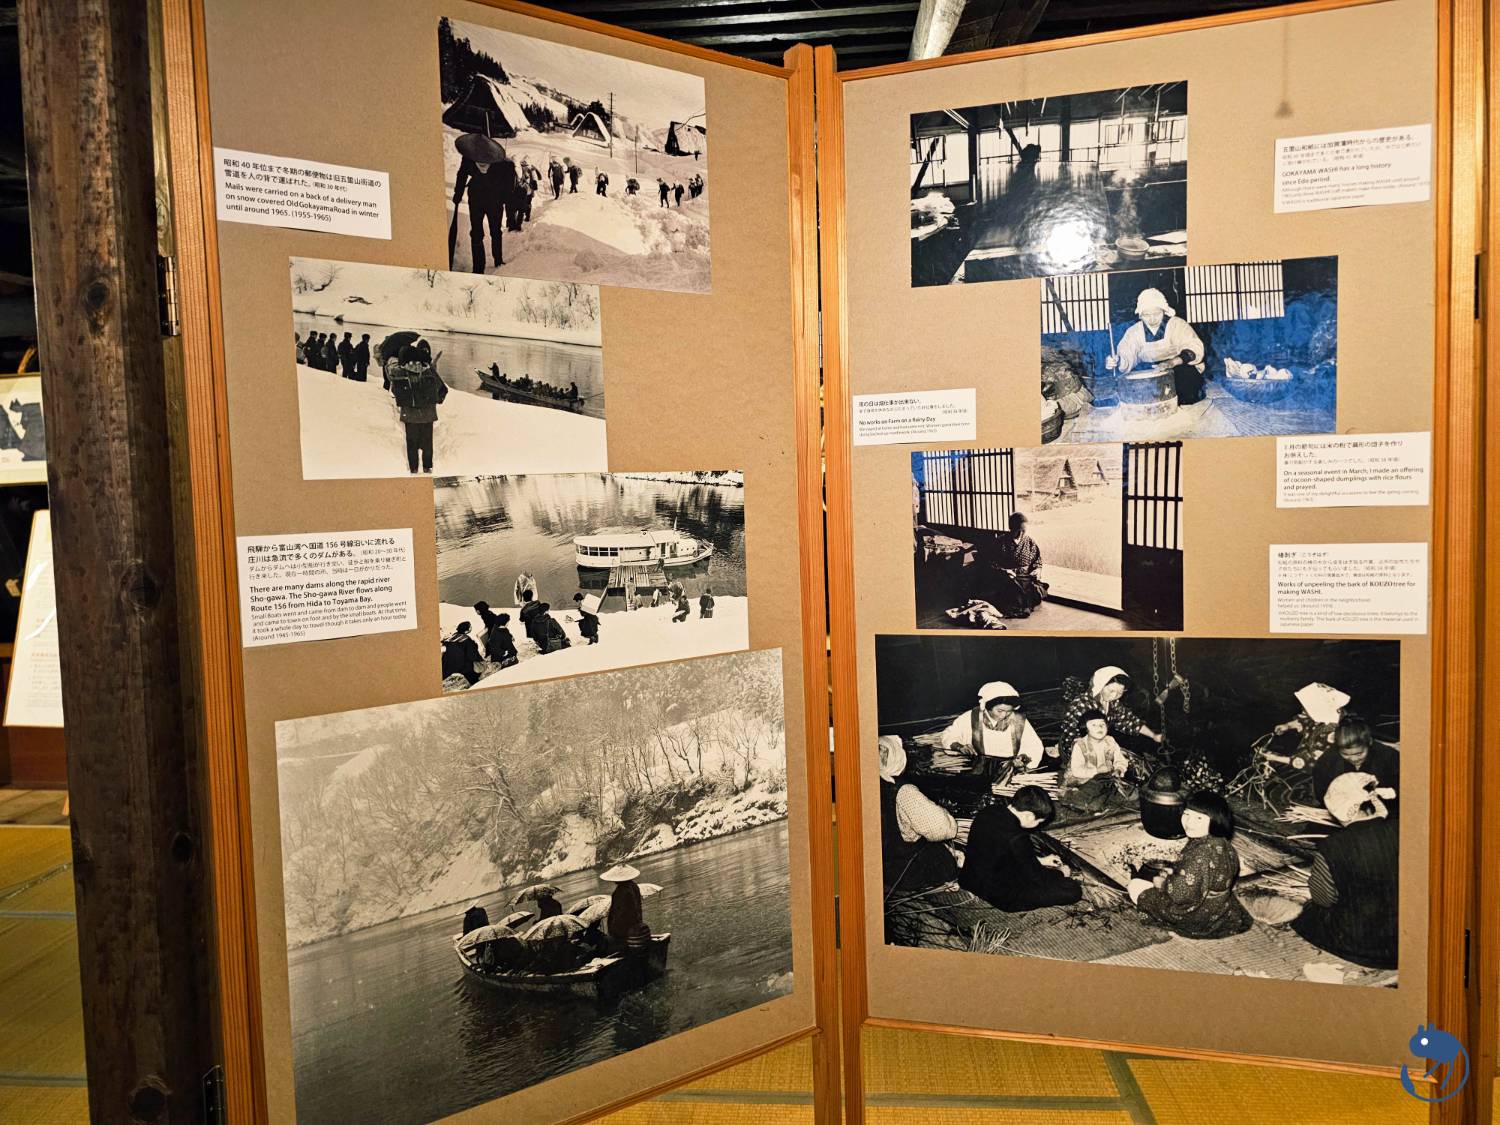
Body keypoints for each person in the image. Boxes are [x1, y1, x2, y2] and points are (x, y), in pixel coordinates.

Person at [1292, 772, 1399, 969]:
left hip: (1362, 942)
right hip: (1406, 937)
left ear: (1337, 809)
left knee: (1308, 915)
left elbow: (1323, 898)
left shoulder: (1333, 846)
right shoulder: (1402, 828)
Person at [1129, 791, 1252, 939]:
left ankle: (1180, 926)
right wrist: (1175, 872)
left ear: (1215, 819)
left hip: (1197, 916)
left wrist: (1163, 884)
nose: (1190, 822)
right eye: (1187, 814)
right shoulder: (1222, 842)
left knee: (1135, 886)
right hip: (1220, 907)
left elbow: (1181, 896)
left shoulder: (1200, 854)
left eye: (1199, 818)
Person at [958, 785, 1081, 912]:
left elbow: (997, 852)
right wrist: (1061, 873)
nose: (1038, 825)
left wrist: (1040, 860)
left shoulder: (988, 811)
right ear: (1029, 816)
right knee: (1073, 891)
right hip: (1000, 894)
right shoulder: (1017, 838)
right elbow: (1038, 877)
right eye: (1039, 822)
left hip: (970, 878)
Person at [878, 735, 958, 894]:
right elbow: (942, 829)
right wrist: (948, 817)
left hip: (877, 866)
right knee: (944, 854)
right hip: (903, 872)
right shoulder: (903, 792)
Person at [1106, 287, 1207, 406]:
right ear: (1140, 315)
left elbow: (1194, 347)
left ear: (1164, 311)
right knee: (1138, 395)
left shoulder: (1177, 324)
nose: (1152, 319)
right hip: (1148, 370)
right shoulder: (1134, 331)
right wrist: (1117, 361)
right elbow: (1126, 353)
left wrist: (1171, 362)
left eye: (1156, 314)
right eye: (1146, 315)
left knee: (1187, 389)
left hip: (1177, 366)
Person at [937, 680, 1045, 781]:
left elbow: (1034, 746)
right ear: (987, 706)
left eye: (1009, 711)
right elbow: (949, 735)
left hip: (1011, 770)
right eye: (1000, 711)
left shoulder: (1018, 720)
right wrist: (960, 747)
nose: (1003, 715)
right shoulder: (972, 717)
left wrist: (1023, 758)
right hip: (978, 770)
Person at [1058, 666, 1165, 755]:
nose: (1114, 696)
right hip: (1078, 751)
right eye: (1111, 691)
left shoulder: (1113, 703)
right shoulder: (1081, 705)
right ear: (1100, 685)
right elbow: (1072, 737)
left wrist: (1153, 735)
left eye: (1120, 693)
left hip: (1099, 743)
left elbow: (1129, 721)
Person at [451, 132, 517, 273]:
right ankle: (478, 267)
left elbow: (509, 190)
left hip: (495, 202)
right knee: (476, 233)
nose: (481, 159)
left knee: (495, 231)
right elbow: (462, 175)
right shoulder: (469, 159)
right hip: (476, 200)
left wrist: (509, 213)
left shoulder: (504, 165)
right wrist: (458, 193)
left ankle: (498, 260)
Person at [1312, 714, 1400, 804]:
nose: (1353, 759)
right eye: (1345, 754)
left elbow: (1404, 783)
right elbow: (1321, 792)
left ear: (1369, 742)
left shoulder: (1388, 756)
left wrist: (1394, 791)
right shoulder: (1328, 760)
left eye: (1359, 754)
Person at [389, 339, 448, 474]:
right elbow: (443, 390)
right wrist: (436, 400)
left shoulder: (400, 372)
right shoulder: (429, 371)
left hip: (409, 415)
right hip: (428, 414)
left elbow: (394, 391)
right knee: (427, 443)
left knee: (411, 443)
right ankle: (427, 468)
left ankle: (414, 469)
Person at [1061, 709, 1133, 813]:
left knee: (1132, 794)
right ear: (1085, 728)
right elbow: (1077, 770)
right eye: (1093, 725)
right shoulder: (1080, 745)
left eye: (1102, 724)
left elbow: (1120, 759)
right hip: (1083, 780)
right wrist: (1097, 770)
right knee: (1094, 796)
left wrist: (1119, 769)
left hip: (1106, 777)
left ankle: (1103, 796)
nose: (1099, 727)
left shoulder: (1110, 741)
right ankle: (1078, 799)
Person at [979, 511, 1048, 618]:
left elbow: (1037, 560)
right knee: (1013, 590)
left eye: (1023, 531)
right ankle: (1022, 604)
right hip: (1007, 577)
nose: (1020, 534)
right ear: (1011, 528)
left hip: (1026, 577)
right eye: (1018, 530)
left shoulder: (1029, 541)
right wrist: (1004, 571)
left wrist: (1037, 570)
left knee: (1035, 590)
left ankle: (1023, 602)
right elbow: (991, 562)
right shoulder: (1000, 542)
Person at [519, 589, 570, 654]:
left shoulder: (523, 610)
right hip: (545, 628)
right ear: (532, 596)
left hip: (533, 631)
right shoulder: (537, 603)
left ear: (523, 598)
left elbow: (521, 620)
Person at [473, 601, 518, 667]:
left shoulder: (485, 615)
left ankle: (494, 656)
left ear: (480, 610)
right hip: (495, 628)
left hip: (494, 629)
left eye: (476, 610)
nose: (476, 612)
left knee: (494, 644)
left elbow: (491, 624)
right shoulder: (487, 613)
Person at [441, 621, 483, 686]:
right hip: (466, 665)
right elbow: (471, 653)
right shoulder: (466, 639)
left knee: (469, 677)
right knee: (475, 680)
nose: (470, 628)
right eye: (469, 627)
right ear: (466, 630)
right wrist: (479, 659)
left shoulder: (452, 638)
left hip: (456, 666)